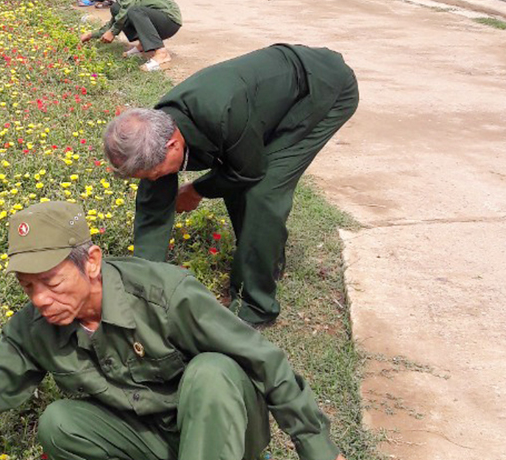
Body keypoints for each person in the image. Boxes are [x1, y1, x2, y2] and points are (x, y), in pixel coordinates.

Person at [0, 201, 348, 460]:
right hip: (154, 442)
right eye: (27, 286)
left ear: (92, 262)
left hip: (225, 432)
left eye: (51, 281)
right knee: (60, 424)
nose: (40, 298)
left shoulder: (167, 294)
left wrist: (316, 449)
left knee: (212, 370)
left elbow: (266, 364)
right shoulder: (36, 326)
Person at [102, 46, 359, 326]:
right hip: (267, 98)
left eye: (152, 172)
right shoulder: (156, 128)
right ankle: (265, 259)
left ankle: (255, 306)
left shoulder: (221, 115)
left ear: (173, 145)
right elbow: (154, 204)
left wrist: (198, 190)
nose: (153, 179)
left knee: (263, 192)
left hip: (322, 89)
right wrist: (142, 287)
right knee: (218, 178)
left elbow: (247, 172)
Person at [82, 0, 179, 71]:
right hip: (155, 20)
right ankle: (143, 45)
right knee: (116, 9)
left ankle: (161, 53)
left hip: (169, 20)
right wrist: (92, 35)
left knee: (133, 11)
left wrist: (113, 32)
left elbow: (128, 9)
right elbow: (116, 19)